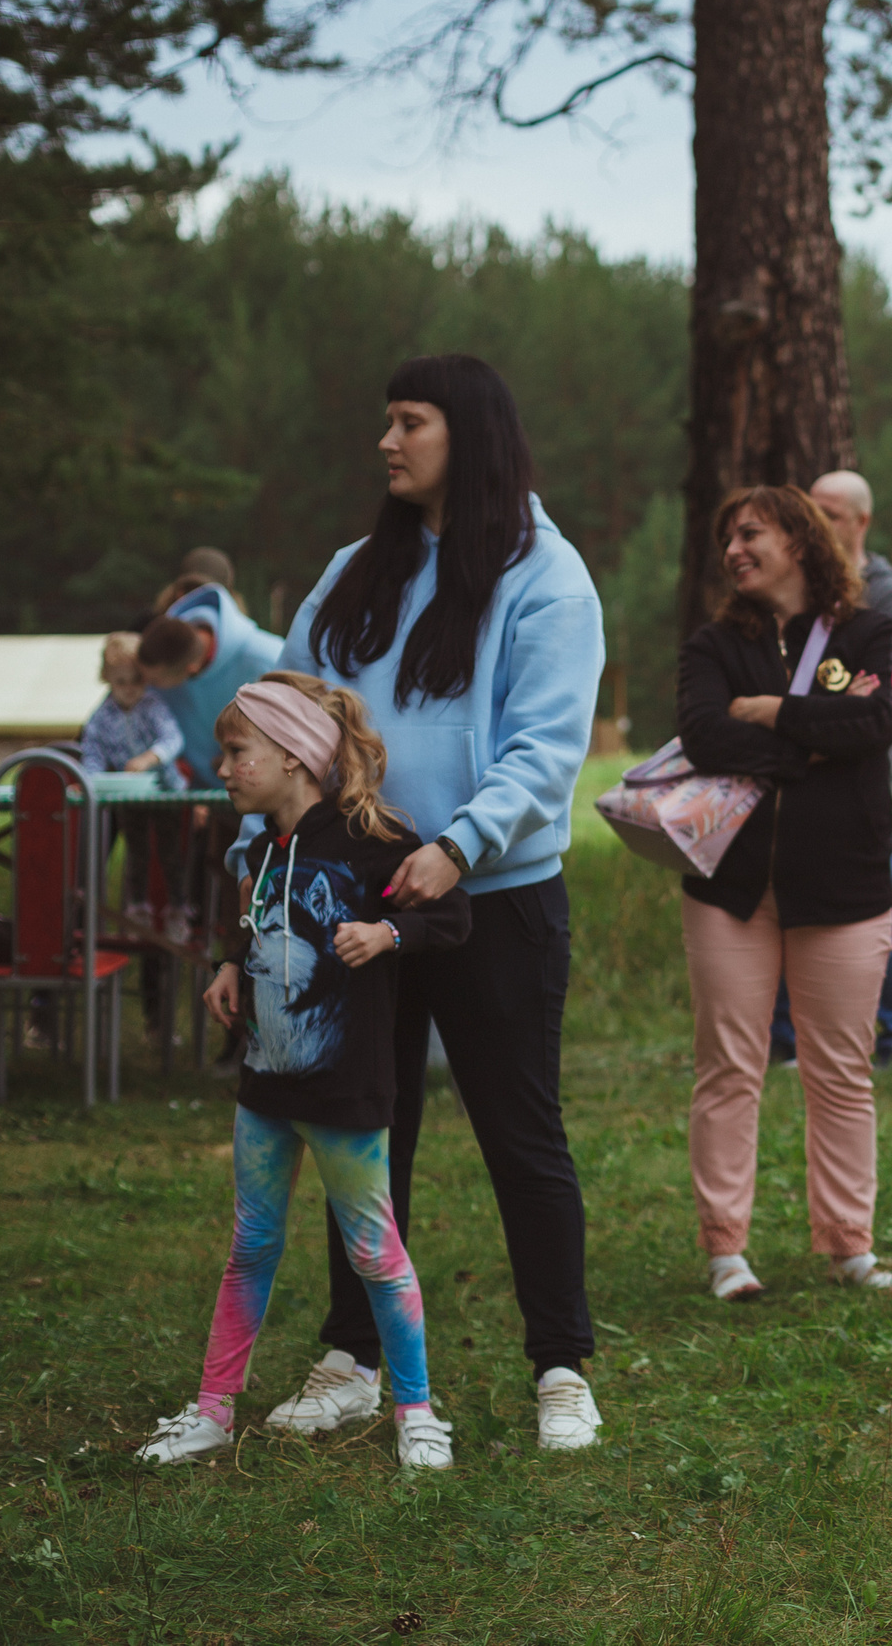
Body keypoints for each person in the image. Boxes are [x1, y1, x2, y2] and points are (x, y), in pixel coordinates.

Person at [233, 353, 609, 1453]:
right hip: (353, 910)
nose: (387, 443)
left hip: (493, 903)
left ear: (471, 437)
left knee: (520, 1133)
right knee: (360, 1132)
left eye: (410, 423)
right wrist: (261, 873)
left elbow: (546, 752)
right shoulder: (357, 572)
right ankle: (353, 1353)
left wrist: (459, 844)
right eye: (386, 422)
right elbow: (288, 722)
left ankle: (560, 1368)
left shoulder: (548, 576)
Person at [137, 674, 473, 1468]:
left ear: (293, 755)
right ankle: (214, 1410)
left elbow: (454, 916)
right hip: (265, 1089)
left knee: (375, 1254)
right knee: (250, 1246)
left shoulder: (375, 840)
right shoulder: (263, 846)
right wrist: (228, 962)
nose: (221, 766)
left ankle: (416, 1410)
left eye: (236, 750)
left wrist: (388, 934)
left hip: (346, 1095)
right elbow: (254, 920)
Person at [675, 485, 892, 1302]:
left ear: (801, 540)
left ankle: (850, 1245)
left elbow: (879, 724)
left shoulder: (871, 630)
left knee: (840, 1070)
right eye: (726, 538)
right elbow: (704, 734)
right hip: (728, 892)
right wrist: (811, 736)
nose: (734, 549)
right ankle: (725, 1251)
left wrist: (775, 712)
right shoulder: (713, 644)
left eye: (751, 533)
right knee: (730, 1067)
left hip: (845, 889)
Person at [769, 469, 892, 1070]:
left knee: (878, 904)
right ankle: (786, 1036)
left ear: (861, 522)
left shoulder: (886, 597)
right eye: (811, 511)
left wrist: (795, 714)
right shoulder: (796, 592)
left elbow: (888, 701)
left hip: (859, 783)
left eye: (830, 513)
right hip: (789, 782)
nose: (818, 522)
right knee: (787, 902)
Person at [138, 578, 284, 790]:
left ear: (191, 670)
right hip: (190, 799)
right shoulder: (164, 649)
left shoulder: (268, 660)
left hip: (266, 799)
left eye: (154, 681)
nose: (144, 686)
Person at [81, 632, 185, 789]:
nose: (129, 688)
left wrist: (149, 758)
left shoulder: (152, 706)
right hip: (126, 793)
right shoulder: (102, 716)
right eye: (121, 682)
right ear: (107, 678)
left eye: (136, 680)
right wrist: (89, 782)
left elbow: (173, 739)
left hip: (166, 790)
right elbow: (93, 753)